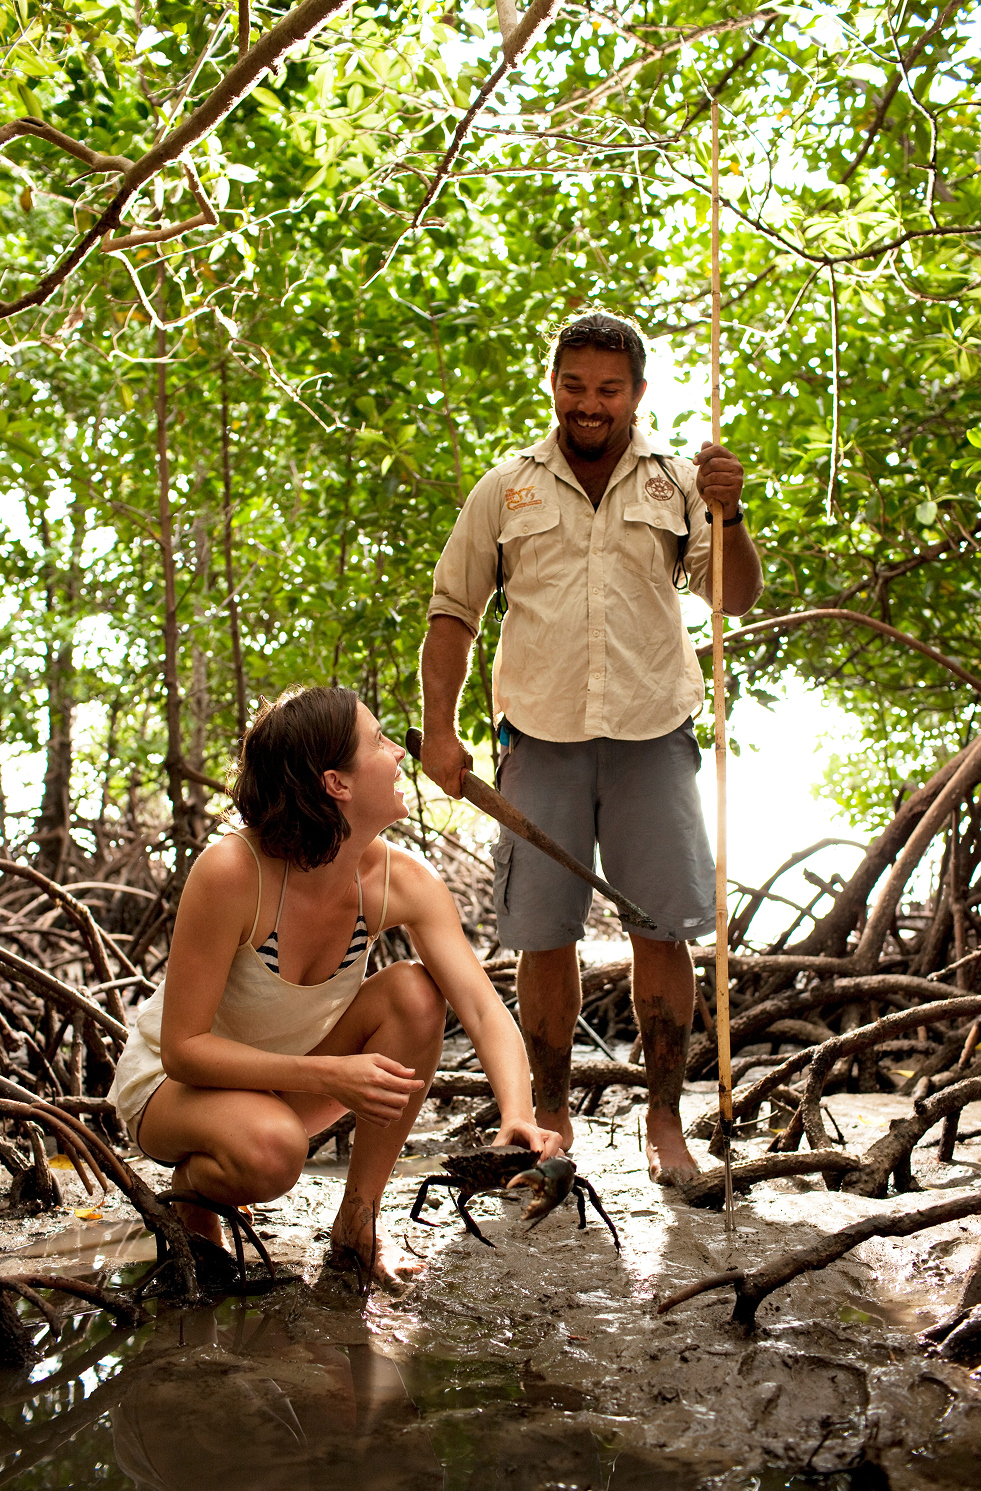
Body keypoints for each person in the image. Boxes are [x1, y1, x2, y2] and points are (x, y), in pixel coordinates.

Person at [419, 312, 764, 1185]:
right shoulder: (507, 486)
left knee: (661, 929)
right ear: (554, 384)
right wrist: (442, 729)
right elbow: (452, 612)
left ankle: (662, 1123)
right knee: (544, 937)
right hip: (539, 736)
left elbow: (732, 597)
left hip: (653, 733)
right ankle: (548, 1118)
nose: (589, 403)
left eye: (608, 388)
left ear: (637, 395)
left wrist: (728, 514)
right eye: (574, 384)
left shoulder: (679, 481)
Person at [108, 686, 561, 1288]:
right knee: (274, 1152)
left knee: (415, 993)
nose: (401, 753)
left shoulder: (403, 880)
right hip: (173, 1088)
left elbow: (480, 1005)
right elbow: (184, 1049)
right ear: (335, 783)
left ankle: (357, 1226)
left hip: (283, 1085)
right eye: (378, 741)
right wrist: (329, 1076)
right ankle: (193, 1193)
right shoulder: (232, 872)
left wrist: (518, 1114)